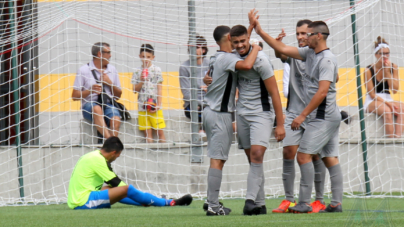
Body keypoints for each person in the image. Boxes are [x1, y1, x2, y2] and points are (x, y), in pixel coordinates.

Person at [248, 9, 343, 213]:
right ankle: (334, 203)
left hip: (322, 116)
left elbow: (323, 91)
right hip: (318, 115)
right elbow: (281, 47)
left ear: (318, 36)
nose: (303, 37)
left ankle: (306, 203)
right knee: (328, 157)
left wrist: (301, 115)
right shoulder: (309, 53)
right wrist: (260, 30)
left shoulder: (326, 59)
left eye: (307, 34)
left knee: (305, 156)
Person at [202, 25, 260, 216]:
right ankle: (212, 205)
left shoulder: (216, 56)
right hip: (220, 113)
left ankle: (211, 199)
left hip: (210, 111)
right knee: (217, 160)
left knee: (217, 158)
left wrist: (250, 27)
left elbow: (240, 49)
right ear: (228, 37)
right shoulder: (227, 58)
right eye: (234, 39)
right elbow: (246, 64)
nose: (239, 43)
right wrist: (257, 47)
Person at [271, 19, 327, 213]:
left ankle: (318, 200)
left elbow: (332, 79)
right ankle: (288, 200)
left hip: (315, 115)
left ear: (313, 35)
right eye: (298, 34)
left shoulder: (320, 56)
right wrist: (279, 45)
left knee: (315, 155)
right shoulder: (295, 54)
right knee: (288, 152)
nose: (301, 37)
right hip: (294, 112)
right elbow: (281, 53)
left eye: (304, 33)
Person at [230, 24, 285, 215]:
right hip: (242, 114)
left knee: (256, 156)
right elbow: (239, 42)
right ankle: (260, 205)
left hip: (262, 114)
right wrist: (250, 26)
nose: (239, 45)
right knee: (253, 160)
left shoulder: (261, 60)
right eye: (236, 42)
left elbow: (274, 92)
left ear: (248, 40)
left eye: (243, 41)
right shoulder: (233, 58)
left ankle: (249, 201)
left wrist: (280, 124)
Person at [67, 136, 192, 209]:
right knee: (126, 189)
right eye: (118, 155)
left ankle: (145, 202)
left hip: (79, 198)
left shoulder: (92, 155)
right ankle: (168, 202)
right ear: (113, 153)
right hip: (82, 202)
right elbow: (119, 184)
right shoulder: (98, 160)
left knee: (116, 190)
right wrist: (136, 194)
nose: (117, 158)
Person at [72, 42, 122, 143]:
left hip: (108, 104)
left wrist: (109, 83)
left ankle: (110, 146)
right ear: (100, 54)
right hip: (89, 105)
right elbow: (74, 96)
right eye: (108, 52)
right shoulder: (83, 70)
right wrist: (90, 91)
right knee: (97, 108)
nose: (110, 55)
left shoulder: (112, 69)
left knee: (116, 117)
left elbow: (118, 96)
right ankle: (111, 143)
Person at [364, 36, 403, 138]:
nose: (385, 56)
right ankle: (390, 140)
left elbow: (394, 90)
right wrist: (388, 104)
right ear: (376, 55)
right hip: (373, 100)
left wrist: (387, 73)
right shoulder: (368, 70)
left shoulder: (393, 67)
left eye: (387, 53)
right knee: (387, 111)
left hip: (388, 98)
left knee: (402, 108)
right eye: (382, 54)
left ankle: (398, 139)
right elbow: (372, 94)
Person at [132, 44, 166, 143]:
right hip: (143, 106)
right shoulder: (137, 71)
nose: (145, 59)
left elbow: (160, 88)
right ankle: (149, 153)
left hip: (154, 104)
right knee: (148, 133)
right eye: (143, 57)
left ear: (153, 57)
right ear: (139, 56)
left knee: (160, 132)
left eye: (148, 57)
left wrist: (159, 104)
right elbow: (134, 90)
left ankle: (164, 149)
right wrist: (141, 81)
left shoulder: (157, 70)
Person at [179, 35, 210, 137]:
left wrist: (209, 90)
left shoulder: (210, 64)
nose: (193, 50)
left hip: (210, 101)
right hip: (194, 104)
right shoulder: (184, 67)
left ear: (204, 49)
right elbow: (187, 93)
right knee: (199, 108)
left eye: (196, 47)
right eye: (191, 47)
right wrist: (201, 103)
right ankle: (202, 131)